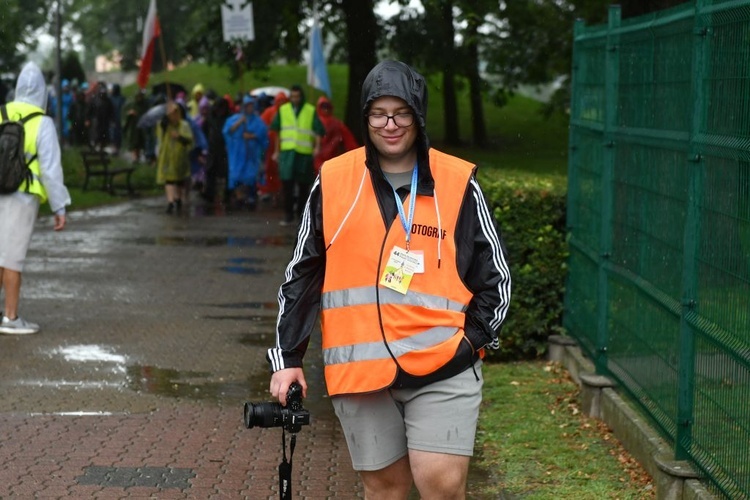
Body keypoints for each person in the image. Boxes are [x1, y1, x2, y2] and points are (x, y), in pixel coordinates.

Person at [266, 61, 512, 498]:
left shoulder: (457, 182)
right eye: (379, 113)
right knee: (386, 490)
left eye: (402, 113)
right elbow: (302, 273)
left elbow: (497, 276)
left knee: (440, 484)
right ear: (365, 118)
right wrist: (287, 358)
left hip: (444, 366)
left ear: (418, 116)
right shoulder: (334, 179)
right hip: (360, 373)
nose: (390, 124)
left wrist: (469, 341)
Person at [0, 62, 71, 335]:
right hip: (23, 195)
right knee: (13, 258)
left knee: (0, 255)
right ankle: (11, 318)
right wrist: (59, 206)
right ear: (42, 91)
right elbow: (51, 170)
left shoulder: (2, 112)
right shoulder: (42, 122)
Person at [270, 84, 324, 225]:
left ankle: (301, 215)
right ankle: (288, 214)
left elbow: (318, 129)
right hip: (288, 153)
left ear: (301, 96)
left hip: (303, 154)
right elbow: (278, 131)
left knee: (303, 186)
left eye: (297, 96)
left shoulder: (309, 110)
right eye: (293, 96)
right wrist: (277, 151)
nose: (295, 99)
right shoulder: (283, 110)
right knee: (287, 183)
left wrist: (316, 147)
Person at [222, 95, 269, 210]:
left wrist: (252, 136)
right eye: (247, 106)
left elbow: (263, 136)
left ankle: (250, 198)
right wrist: (239, 123)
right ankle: (239, 198)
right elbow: (227, 132)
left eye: (251, 105)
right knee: (237, 176)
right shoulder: (234, 119)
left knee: (250, 176)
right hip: (237, 154)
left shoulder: (258, 121)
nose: (249, 108)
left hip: (251, 155)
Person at [156, 101, 193, 214]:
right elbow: (160, 132)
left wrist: (179, 137)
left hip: (180, 157)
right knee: (169, 180)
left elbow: (189, 140)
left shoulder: (184, 125)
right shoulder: (165, 125)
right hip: (167, 157)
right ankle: (171, 201)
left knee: (179, 180)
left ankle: (178, 199)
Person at [314, 95, 359, 174]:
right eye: (323, 107)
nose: (325, 109)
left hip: (322, 160)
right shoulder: (336, 124)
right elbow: (350, 143)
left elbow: (350, 143)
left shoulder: (335, 124)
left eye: (326, 107)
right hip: (325, 161)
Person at [257, 91, 288, 203]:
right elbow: (261, 125)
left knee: (282, 171)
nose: (281, 103)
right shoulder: (269, 112)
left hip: (284, 146)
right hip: (270, 146)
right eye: (279, 101)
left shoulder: (287, 113)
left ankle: (278, 192)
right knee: (269, 169)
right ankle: (268, 190)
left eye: (283, 101)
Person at [203, 96, 231, 205]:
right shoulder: (210, 118)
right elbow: (204, 130)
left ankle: (227, 194)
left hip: (224, 149)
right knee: (210, 171)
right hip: (213, 148)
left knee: (226, 172)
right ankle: (209, 194)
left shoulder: (228, 117)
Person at [122, 89, 149, 162]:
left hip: (142, 126)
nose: (140, 97)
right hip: (133, 127)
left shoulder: (145, 104)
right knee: (134, 142)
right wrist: (129, 114)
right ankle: (134, 157)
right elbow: (124, 114)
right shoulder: (131, 104)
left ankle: (138, 156)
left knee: (140, 142)